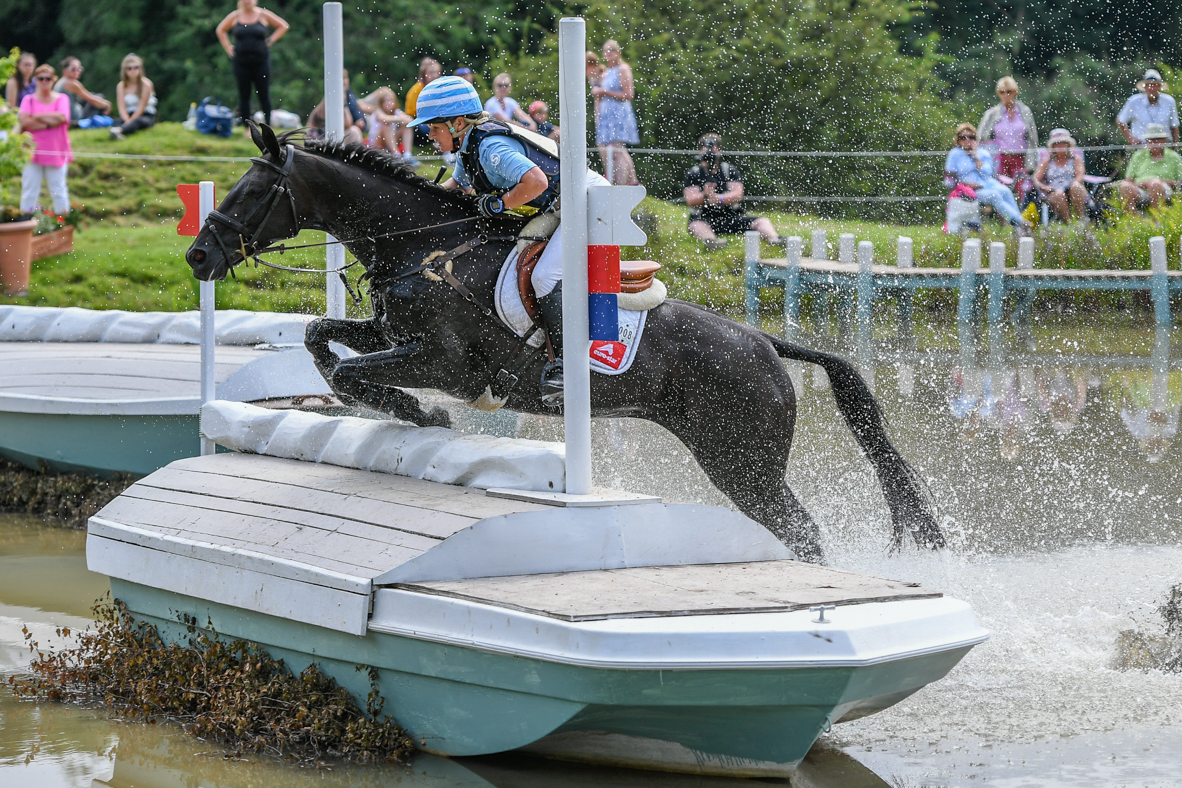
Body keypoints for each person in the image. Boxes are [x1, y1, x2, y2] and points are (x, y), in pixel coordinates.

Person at [407, 76, 609, 407]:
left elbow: (537, 181)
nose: (429, 134)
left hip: (589, 201)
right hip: (562, 204)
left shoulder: (489, 148)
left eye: (433, 127)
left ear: (458, 123)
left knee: (544, 276)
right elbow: (453, 191)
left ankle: (567, 366)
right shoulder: (468, 147)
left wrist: (500, 204)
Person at [684, 134, 780, 250]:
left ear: (718, 149)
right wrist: (705, 195)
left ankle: (775, 239)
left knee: (762, 221)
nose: (710, 151)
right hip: (704, 218)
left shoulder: (728, 170)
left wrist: (720, 198)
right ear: (700, 151)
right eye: (706, 147)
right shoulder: (694, 173)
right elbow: (690, 200)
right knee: (696, 225)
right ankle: (711, 241)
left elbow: (738, 194)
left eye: (713, 147)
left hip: (731, 217)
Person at [945, 122, 1031, 233]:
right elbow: (949, 177)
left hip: (987, 183)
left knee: (1005, 191)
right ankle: (1020, 223)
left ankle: (1017, 226)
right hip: (968, 189)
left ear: (975, 138)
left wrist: (975, 157)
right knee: (994, 196)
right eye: (963, 137)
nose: (968, 140)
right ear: (958, 140)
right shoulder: (954, 154)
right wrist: (964, 185)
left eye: (971, 137)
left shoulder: (982, 153)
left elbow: (987, 172)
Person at [216, 0, 289, 127]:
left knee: (263, 93)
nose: (247, 1)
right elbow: (220, 29)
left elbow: (283, 25)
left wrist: (270, 41)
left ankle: (268, 125)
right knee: (244, 94)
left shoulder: (263, 14)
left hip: (261, 61)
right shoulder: (235, 16)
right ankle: (247, 127)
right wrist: (228, 47)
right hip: (240, 62)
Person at [18, 65, 72, 214]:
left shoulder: (62, 98)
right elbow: (25, 122)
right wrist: (50, 121)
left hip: (56, 150)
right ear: (36, 80)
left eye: (48, 78)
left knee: (58, 189)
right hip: (32, 151)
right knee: (29, 190)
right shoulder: (28, 100)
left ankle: (63, 224)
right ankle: (26, 223)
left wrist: (36, 116)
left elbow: (62, 117)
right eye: (41, 78)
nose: (44, 81)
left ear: (54, 79)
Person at [594, 40, 639, 185]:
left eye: (611, 50)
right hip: (607, 116)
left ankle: (623, 182)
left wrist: (604, 91)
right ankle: (623, 179)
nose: (608, 53)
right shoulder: (606, 72)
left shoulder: (623, 68)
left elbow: (629, 94)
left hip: (619, 113)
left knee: (618, 149)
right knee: (608, 148)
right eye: (606, 50)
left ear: (618, 52)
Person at [978, 76, 1039, 178]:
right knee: (1001, 191)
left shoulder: (1025, 112)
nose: (1005, 95)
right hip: (999, 158)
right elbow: (982, 138)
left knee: (1022, 190)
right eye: (1002, 92)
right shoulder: (991, 114)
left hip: (1021, 158)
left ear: (1015, 92)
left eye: (1009, 91)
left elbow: (1033, 138)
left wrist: (1032, 160)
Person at [1117, 124, 1182, 211]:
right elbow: (1128, 181)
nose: (1154, 142)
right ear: (1146, 141)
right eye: (1150, 140)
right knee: (1125, 186)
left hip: (1165, 191)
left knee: (1155, 184)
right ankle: (1133, 221)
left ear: (1164, 140)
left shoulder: (1174, 157)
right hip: (1141, 190)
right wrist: (1144, 184)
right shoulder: (1138, 156)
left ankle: (1157, 221)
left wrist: (1158, 181)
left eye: (1157, 139)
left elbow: (1179, 183)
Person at [1032, 128, 1087, 222]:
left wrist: (1072, 185)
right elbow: (1035, 178)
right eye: (1057, 143)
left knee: (1076, 187)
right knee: (1059, 194)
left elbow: (1080, 175)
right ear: (1053, 146)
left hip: (1072, 188)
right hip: (1054, 190)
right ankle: (1069, 222)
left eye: (1063, 143)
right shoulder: (1047, 161)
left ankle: (1080, 219)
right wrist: (1044, 187)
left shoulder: (1075, 159)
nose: (1060, 145)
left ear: (1068, 145)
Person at [1118, 69, 1179, 145]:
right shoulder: (1134, 101)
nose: (1151, 88)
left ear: (1159, 87)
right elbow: (1121, 121)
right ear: (1145, 87)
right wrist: (1131, 139)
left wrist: (1175, 146)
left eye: (1154, 85)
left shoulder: (1169, 101)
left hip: (1164, 146)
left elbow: (1174, 126)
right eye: (1149, 85)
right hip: (1141, 146)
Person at [308, 70, 366, 144]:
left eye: (345, 78)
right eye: (341, 79)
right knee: (354, 131)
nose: (344, 81)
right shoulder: (330, 96)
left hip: (337, 134)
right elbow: (347, 123)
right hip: (323, 137)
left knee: (354, 130)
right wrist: (343, 103)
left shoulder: (350, 95)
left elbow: (357, 112)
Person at [109, 54, 157, 140]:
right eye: (129, 68)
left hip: (144, 115)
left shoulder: (146, 84)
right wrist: (127, 119)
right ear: (125, 70)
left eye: (136, 67)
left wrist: (130, 121)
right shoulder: (121, 86)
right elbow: (121, 107)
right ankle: (118, 131)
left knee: (138, 122)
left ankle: (119, 131)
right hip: (129, 114)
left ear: (140, 69)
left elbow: (141, 108)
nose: (133, 70)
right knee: (118, 121)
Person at [404, 58, 441, 161]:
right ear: (424, 74)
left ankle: (449, 152)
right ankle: (407, 155)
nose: (434, 75)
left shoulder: (441, 89)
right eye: (431, 73)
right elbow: (410, 114)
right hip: (420, 123)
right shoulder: (416, 90)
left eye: (436, 72)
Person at [54, 57, 110, 125]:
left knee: (94, 97)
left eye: (79, 69)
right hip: (75, 118)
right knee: (99, 97)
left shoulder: (60, 82)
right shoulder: (72, 83)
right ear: (65, 70)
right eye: (73, 69)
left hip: (67, 115)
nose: (77, 71)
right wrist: (107, 105)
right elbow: (92, 99)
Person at [363, 87, 412, 154]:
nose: (388, 103)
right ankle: (396, 155)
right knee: (386, 124)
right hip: (376, 144)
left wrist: (401, 119)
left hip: (391, 141)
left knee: (406, 125)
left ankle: (407, 154)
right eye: (385, 101)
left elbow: (410, 120)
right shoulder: (378, 112)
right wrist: (401, 118)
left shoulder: (396, 112)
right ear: (381, 103)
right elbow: (384, 118)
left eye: (390, 100)